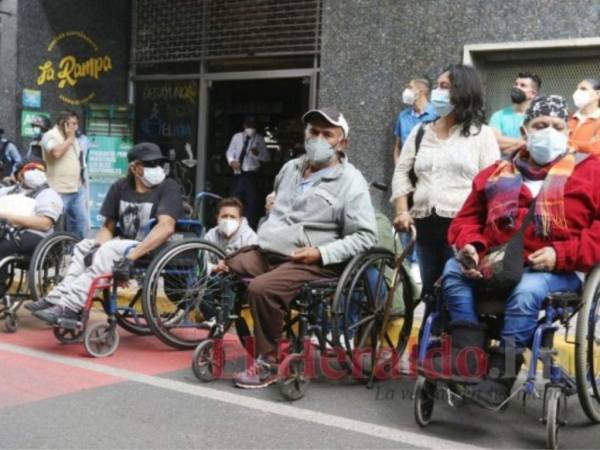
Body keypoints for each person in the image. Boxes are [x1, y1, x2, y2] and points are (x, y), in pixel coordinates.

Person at [440, 95, 600, 407]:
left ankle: (500, 376)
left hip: (555, 270)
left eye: (556, 126)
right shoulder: (498, 171)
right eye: (541, 125)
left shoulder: (592, 172)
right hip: (497, 260)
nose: (548, 132)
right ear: (526, 131)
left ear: (568, 132)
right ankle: (468, 354)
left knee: (526, 292)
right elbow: (467, 219)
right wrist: (472, 245)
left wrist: (561, 254)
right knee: (452, 271)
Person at [222, 107, 378, 389]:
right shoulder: (290, 168)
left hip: (310, 260)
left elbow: (366, 236)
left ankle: (268, 362)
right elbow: (279, 208)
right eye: (313, 132)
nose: (318, 139)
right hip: (270, 251)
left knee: (262, 289)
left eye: (327, 134)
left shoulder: (351, 182)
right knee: (226, 268)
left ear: (342, 142)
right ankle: (258, 343)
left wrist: (321, 253)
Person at [27, 142, 183, 324]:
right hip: (125, 244)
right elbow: (108, 227)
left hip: (152, 245)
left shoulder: (168, 187)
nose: (156, 168)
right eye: (149, 164)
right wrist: (97, 247)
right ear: (134, 167)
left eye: (158, 163)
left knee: (109, 250)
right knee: (84, 247)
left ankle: (70, 306)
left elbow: (166, 227)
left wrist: (130, 258)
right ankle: (57, 297)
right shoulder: (120, 187)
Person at [391, 64, 500, 314]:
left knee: (456, 290)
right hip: (425, 224)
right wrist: (401, 210)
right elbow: (401, 172)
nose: (437, 93)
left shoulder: (482, 135)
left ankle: (459, 342)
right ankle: (432, 346)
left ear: (462, 92)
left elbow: (492, 185)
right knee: (431, 291)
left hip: (464, 228)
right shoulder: (420, 132)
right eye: (438, 86)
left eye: (444, 87)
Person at [0, 158, 62, 300]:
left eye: (40, 170)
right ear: (19, 174)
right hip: (9, 232)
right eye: (30, 169)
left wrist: (8, 217)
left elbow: (45, 224)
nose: (35, 173)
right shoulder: (8, 192)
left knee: (2, 247)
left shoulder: (48, 194)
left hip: (37, 236)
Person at [41, 110, 89, 239]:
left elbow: (77, 159)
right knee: (54, 227)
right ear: (63, 123)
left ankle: (75, 254)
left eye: (76, 124)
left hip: (76, 189)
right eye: (72, 123)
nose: (75, 127)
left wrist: (81, 179)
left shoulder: (71, 137)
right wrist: (70, 138)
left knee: (81, 225)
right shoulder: (50, 136)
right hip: (59, 191)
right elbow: (55, 153)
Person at [226, 116, 270, 229]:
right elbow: (230, 152)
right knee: (235, 201)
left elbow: (266, 158)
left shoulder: (259, 139)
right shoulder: (237, 137)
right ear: (244, 126)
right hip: (238, 174)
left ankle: (248, 227)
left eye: (253, 126)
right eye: (249, 126)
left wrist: (257, 154)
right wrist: (231, 162)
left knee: (251, 203)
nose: (250, 128)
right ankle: (233, 225)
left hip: (251, 175)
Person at [489, 71, 541, 154]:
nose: (516, 88)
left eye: (522, 85)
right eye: (516, 84)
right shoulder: (499, 115)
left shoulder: (539, 118)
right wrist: (525, 143)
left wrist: (509, 147)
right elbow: (493, 141)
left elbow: (540, 145)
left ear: (533, 94)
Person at [393, 77, 438, 165]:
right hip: (406, 168)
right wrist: (398, 165)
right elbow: (397, 146)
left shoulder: (436, 114)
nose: (406, 91)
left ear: (421, 91)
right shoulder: (403, 116)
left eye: (410, 87)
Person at [568, 78, 600, 155]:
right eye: (577, 89)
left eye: (583, 89)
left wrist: (570, 144)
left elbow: (596, 146)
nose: (577, 92)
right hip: (567, 165)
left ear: (598, 94)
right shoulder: (570, 118)